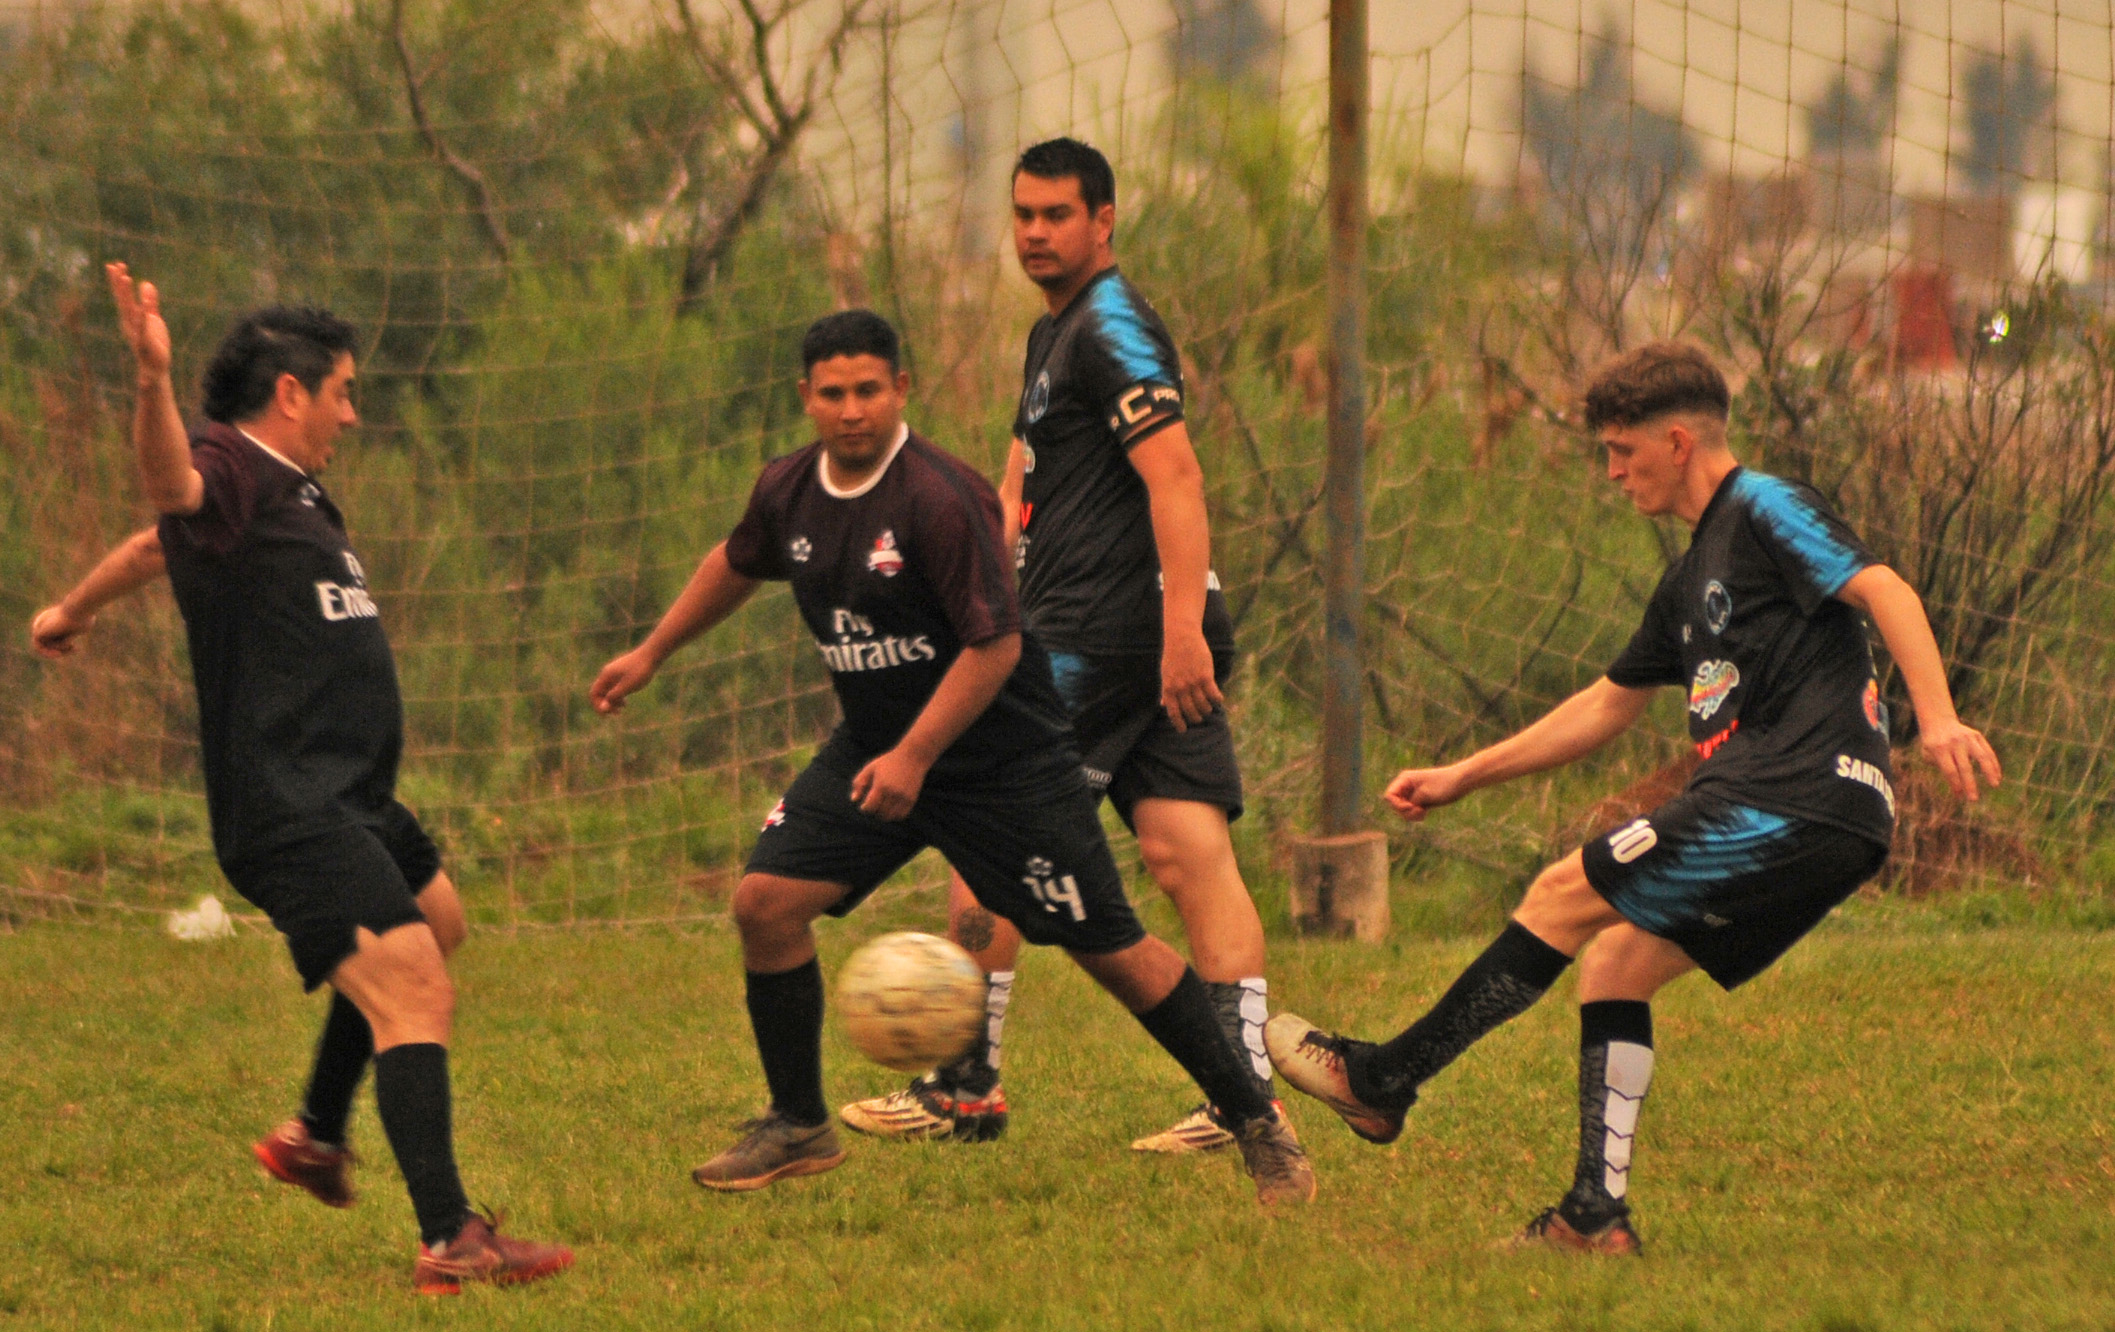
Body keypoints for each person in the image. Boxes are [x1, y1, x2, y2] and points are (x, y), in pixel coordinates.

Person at [1267, 341, 2002, 1254]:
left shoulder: (1766, 507)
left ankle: (1383, 1080)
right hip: (1827, 821)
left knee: (1558, 894)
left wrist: (1937, 719)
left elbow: (1883, 587)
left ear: (1678, 442)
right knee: (1615, 963)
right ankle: (1593, 1217)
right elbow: (1607, 704)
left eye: (1623, 451)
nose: (1613, 472)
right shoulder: (1689, 578)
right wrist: (1463, 775)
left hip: (1790, 795)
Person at [588, 310, 1313, 1205]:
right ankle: (797, 1123)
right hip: (876, 749)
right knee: (765, 904)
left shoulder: (940, 497)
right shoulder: (788, 489)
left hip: (1003, 767)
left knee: (1110, 949)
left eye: (868, 390)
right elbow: (737, 560)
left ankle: (1254, 1119)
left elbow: (995, 646)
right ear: (805, 397)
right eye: (832, 393)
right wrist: (652, 652)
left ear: (900, 390)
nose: (851, 410)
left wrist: (916, 756)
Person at [43, 264, 573, 1294]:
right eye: (343, 391)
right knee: (413, 983)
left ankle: (317, 1133)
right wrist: (151, 381)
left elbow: (156, 545)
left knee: (438, 924)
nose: (353, 413)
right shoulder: (226, 463)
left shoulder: (286, 490)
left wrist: (74, 608)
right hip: (290, 802)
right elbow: (169, 494)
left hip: (353, 793)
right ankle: (450, 1238)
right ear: (292, 393)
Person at [841, 137, 1275, 1155]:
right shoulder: (1055, 332)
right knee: (1186, 850)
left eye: (1056, 216)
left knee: (984, 822)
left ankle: (964, 1086)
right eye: (1023, 215)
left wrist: (1178, 634)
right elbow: (1015, 486)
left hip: (1107, 631)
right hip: (1133, 632)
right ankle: (1241, 1095)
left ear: (1103, 220)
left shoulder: (1112, 326)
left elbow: (1177, 477)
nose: (1034, 233)